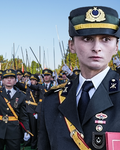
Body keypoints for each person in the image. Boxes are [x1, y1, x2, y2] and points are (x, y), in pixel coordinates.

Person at [38, 6, 120, 150]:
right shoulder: (52, 100)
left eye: (106, 39)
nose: (96, 47)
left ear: (116, 47)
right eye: (87, 39)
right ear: (71, 45)